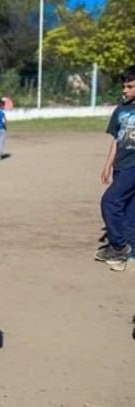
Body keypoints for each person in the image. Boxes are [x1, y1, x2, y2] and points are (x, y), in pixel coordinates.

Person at [96, 65, 135, 269]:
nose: (125, 90)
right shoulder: (121, 109)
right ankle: (129, 255)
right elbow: (116, 140)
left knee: (110, 202)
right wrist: (108, 165)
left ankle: (119, 247)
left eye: (130, 86)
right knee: (129, 211)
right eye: (124, 86)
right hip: (122, 165)